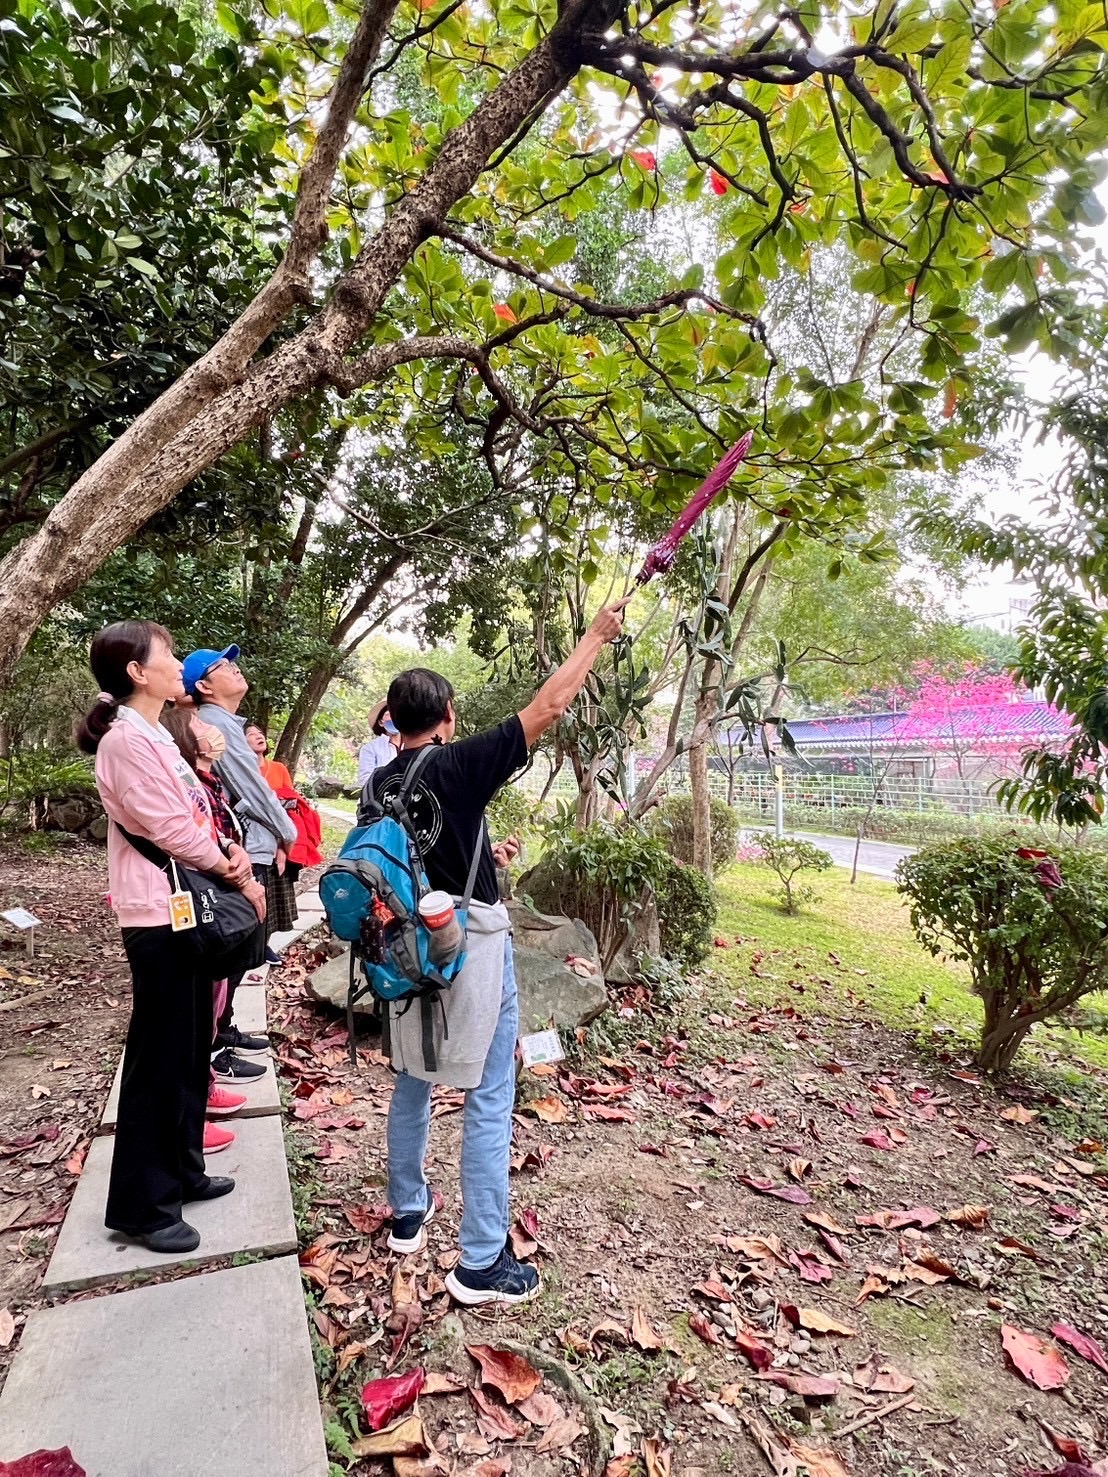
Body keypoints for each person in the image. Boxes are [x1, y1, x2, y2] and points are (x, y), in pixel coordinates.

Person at [376, 596, 630, 1306]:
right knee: (490, 1091)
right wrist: (594, 637)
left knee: (413, 1074)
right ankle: (481, 1261)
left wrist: (493, 855)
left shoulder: (378, 781)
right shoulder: (456, 764)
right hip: (470, 945)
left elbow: (421, 855)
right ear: (449, 714)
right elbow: (549, 705)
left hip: (400, 942)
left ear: (394, 720)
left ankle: (407, 1212)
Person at [77, 620, 264, 1254]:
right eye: (169, 655)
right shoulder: (126, 742)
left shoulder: (154, 733)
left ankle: (182, 1172)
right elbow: (172, 829)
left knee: (188, 1047)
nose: (178, 663)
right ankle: (142, 1204)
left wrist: (226, 850)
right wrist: (232, 866)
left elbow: (197, 812)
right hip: (158, 915)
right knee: (158, 1058)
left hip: (183, 907)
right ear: (136, 671)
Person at [183, 644, 297, 1079]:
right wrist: (288, 831)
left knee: (237, 950)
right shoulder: (215, 725)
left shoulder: (225, 723)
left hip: (242, 849)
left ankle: (223, 1031)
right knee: (228, 947)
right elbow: (253, 789)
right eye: (221, 666)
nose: (233, 668)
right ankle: (214, 1049)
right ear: (205, 686)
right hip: (231, 855)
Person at [161, 706, 249, 1152]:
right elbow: (192, 837)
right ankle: (189, 1117)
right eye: (199, 725)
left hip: (213, 894)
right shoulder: (182, 781)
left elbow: (216, 831)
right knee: (192, 1014)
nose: (211, 731)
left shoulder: (207, 783)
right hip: (198, 898)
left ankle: (205, 1087)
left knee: (212, 1002)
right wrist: (238, 875)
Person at [245, 722, 323, 881]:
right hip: (255, 836)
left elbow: (291, 804)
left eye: (259, 732)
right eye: (251, 734)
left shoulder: (278, 768)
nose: (258, 736)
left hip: (283, 831)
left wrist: (282, 845)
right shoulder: (243, 771)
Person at [357, 699, 399, 788]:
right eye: (389, 714)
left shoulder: (412, 745)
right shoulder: (370, 749)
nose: (394, 717)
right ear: (381, 722)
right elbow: (365, 780)